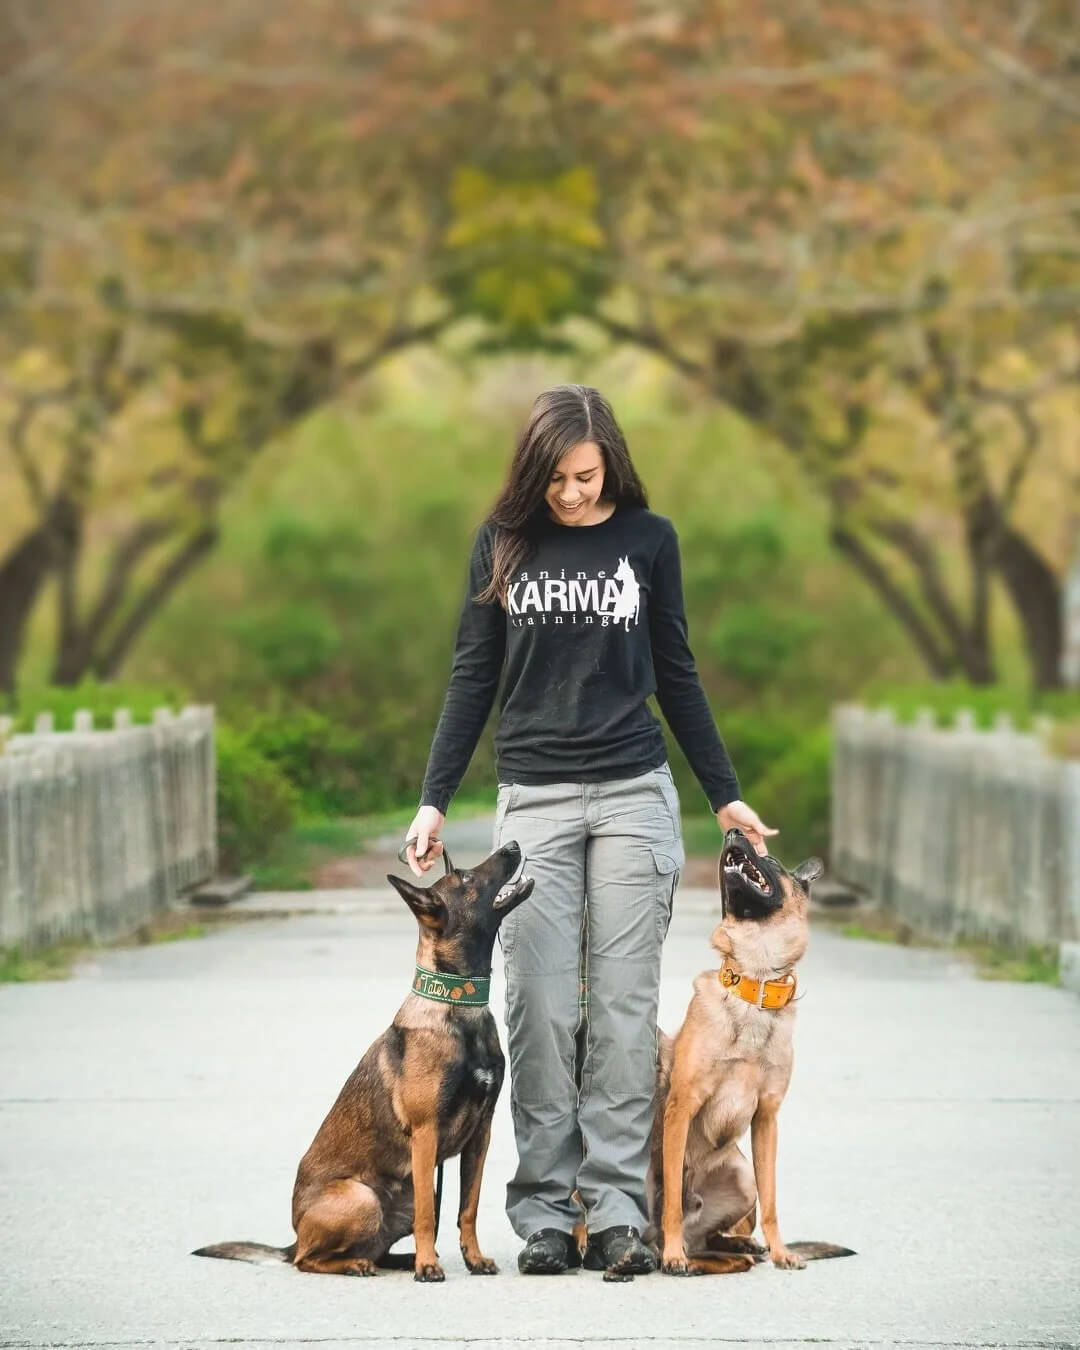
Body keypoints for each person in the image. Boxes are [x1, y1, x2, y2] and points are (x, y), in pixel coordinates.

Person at [402, 384, 775, 1276]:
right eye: (556, 479)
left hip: (632, 793)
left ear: (609, 461)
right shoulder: (503, 543)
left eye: (585, 476)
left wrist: (722, 794)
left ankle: (614, 1209)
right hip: (534, 800)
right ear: (532, 471)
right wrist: (433, 796)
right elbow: (471, 674)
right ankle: (540, 1210)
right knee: (534, 1005)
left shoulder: (650, 542)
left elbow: (677, 671)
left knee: (619, 1009)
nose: (570, 494)